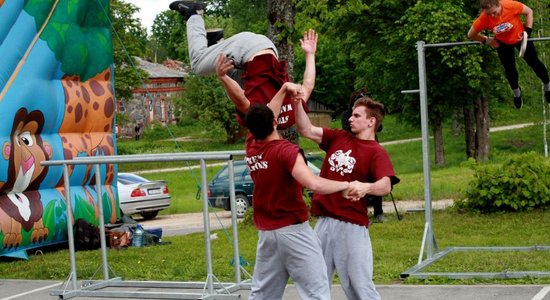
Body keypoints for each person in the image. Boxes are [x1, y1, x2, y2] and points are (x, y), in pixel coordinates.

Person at [243, 82, 355, 300]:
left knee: (262, 294)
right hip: (293, 231)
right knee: (316, 291)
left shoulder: (252, 147)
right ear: (275, 122)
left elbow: (267, 115)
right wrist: (346, 185)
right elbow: (313, 184)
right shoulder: (286, 151)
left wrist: (284, 89)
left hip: (267, 234)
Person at [295, 94, 400, 300]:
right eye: (351, 115)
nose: (350, 119)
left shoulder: (376, 152)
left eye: (356, 115)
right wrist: (298, 100)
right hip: (324, 223)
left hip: (351, 226)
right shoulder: (339, 137)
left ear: (371, 121)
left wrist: (365, 187)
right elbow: (305, 129)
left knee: (358, 286)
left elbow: (385, 185)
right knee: (314, 280)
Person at [169, 0, 318, 144]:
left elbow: (309, 84)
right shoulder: (261, 119)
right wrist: (221, 77)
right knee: (198, 65)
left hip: (267, 48)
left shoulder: (292, 115)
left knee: (237, 79)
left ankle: (216, 42)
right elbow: (240, 99)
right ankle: (194, 13)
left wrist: (310, 54)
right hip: (245, 50)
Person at [467, 0, 550, 109]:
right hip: (502, 43)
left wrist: (528, 32)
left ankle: (548, 86)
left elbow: (529, 12)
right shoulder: (484, 18)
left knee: (534, 63)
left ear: (499, 5)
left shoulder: (510, 5)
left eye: (495, 12)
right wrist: (487, 40)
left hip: (521, 38)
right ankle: (516, 93)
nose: (493, 15)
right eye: (489, 14)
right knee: (510, 70)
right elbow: (471, 34)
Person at [341, 88, 385, 223]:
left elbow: (380, 127)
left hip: (371, 147)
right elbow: (346, 129)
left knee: (376, 179)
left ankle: (379, 212)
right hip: (355, 150)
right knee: (359, 181)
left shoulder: (368, 114)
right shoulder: (347, 115)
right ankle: (362, 212)